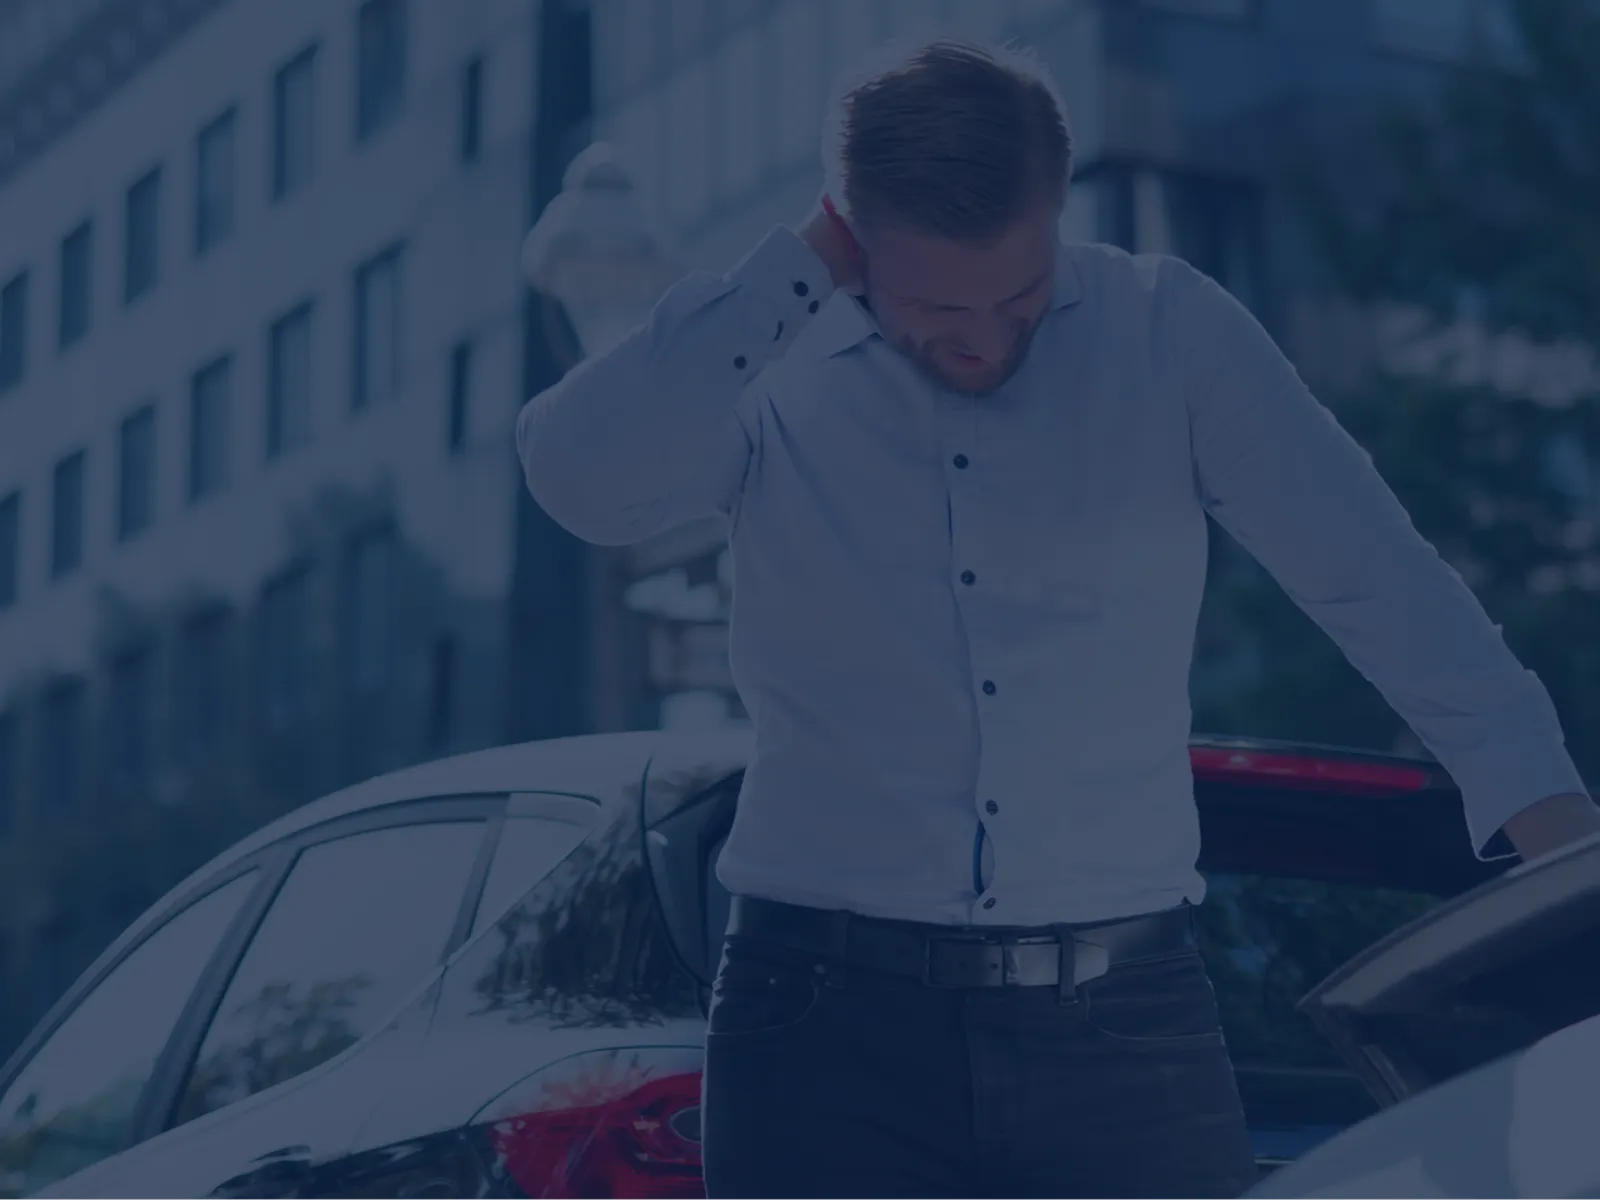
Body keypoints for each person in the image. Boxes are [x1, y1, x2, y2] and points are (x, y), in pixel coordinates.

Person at [516, 35, 1600, 1200]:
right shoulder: (770, 365)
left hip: (1126, 1033)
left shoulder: (1168, 333)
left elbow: (1381, 583)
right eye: (935, 305)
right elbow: (580, 480)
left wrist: (1569, 859)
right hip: (824, 1031)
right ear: (851, 235)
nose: (983, 340)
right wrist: (799, 265)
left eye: (1019, 297)